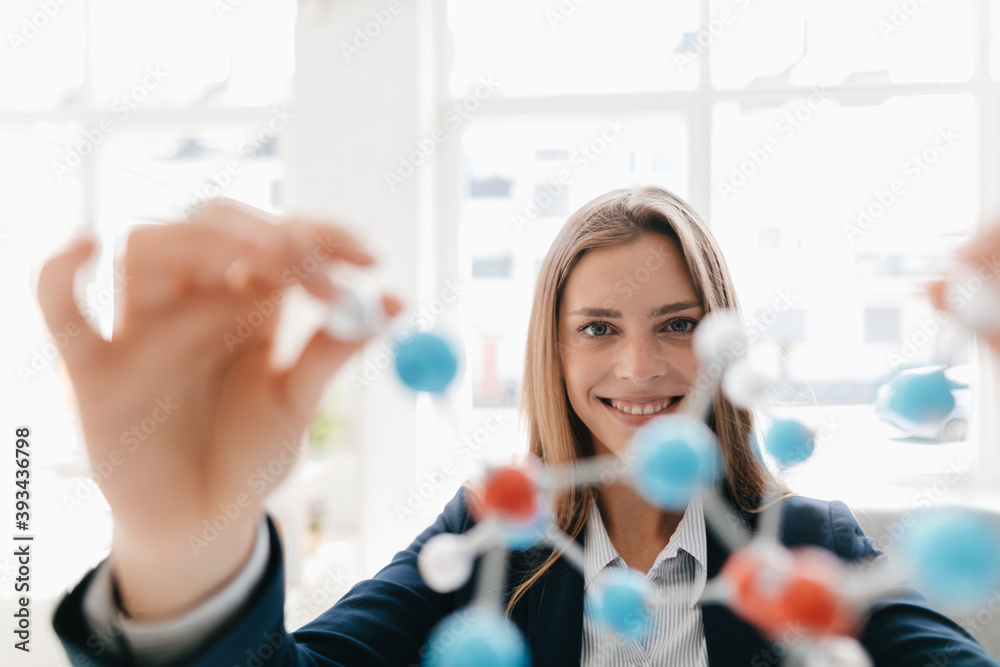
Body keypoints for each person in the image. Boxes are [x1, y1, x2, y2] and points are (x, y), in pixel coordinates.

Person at [39, 188, 998, 666]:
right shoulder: (491, 538)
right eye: (597, 330)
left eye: (676, 326)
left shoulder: (808, 545)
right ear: (554, 351)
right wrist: (183, 552)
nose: (639, 369)